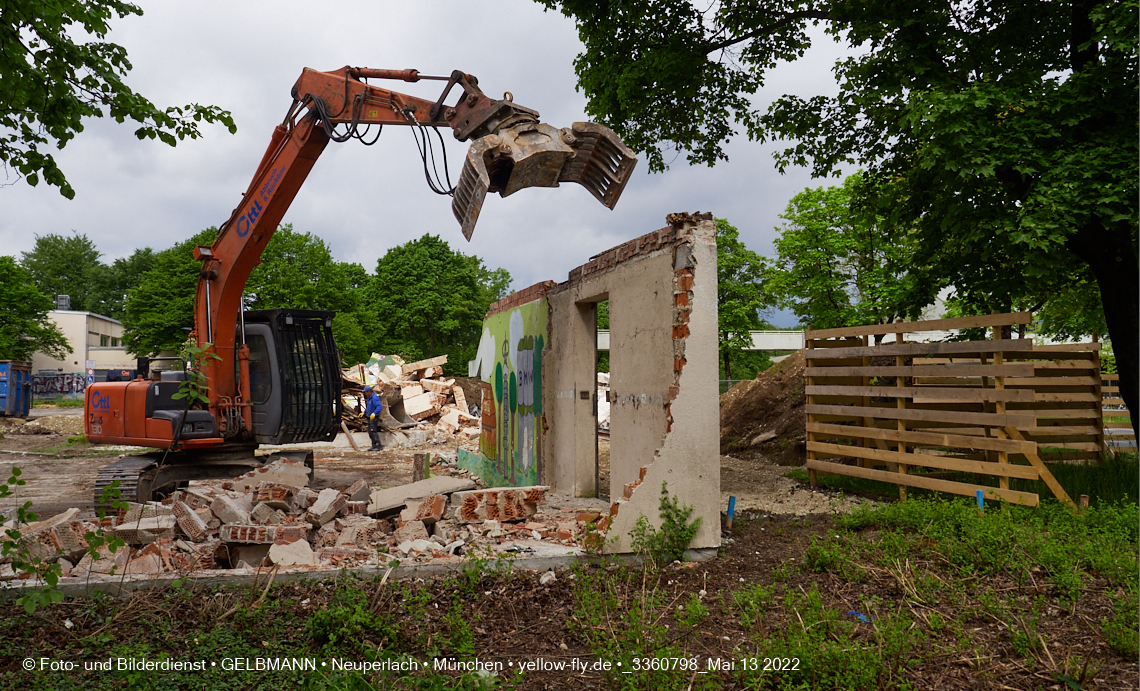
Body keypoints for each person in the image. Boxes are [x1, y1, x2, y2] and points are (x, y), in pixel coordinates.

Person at [363, 386, 384, 451]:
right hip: (369, 416)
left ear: (369, 391)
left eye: (366, 392)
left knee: (373, 431)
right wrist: (364, 413)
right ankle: (374, 445)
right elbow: (369, 407)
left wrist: (374, 413)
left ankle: (378, 445)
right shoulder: (369, 398)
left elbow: (379, 406)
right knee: (370, 432)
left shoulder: (374, 397)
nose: (365, 393)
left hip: (373, 417)